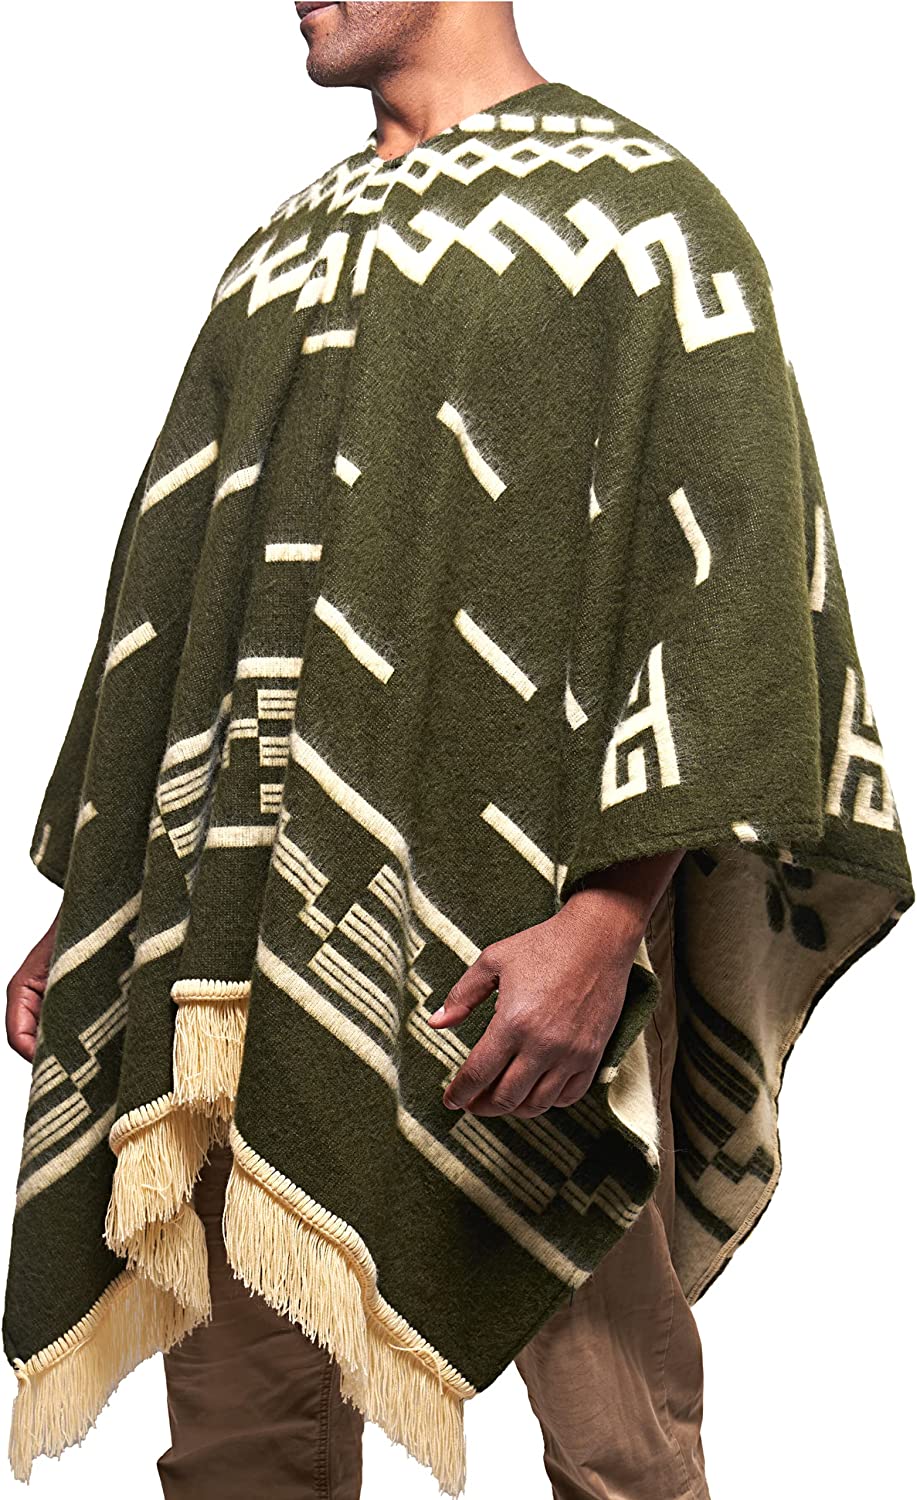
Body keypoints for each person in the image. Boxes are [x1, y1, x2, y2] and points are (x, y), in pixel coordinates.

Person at [4, 5, 911, 1500]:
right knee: (237, 1445)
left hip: (523, 939)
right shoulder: (279, 255)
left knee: (615, 1444)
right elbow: (177, 595)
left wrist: (606, 921)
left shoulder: (641, 219)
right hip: (245, 943)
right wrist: (99, 903)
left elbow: (730, 582)